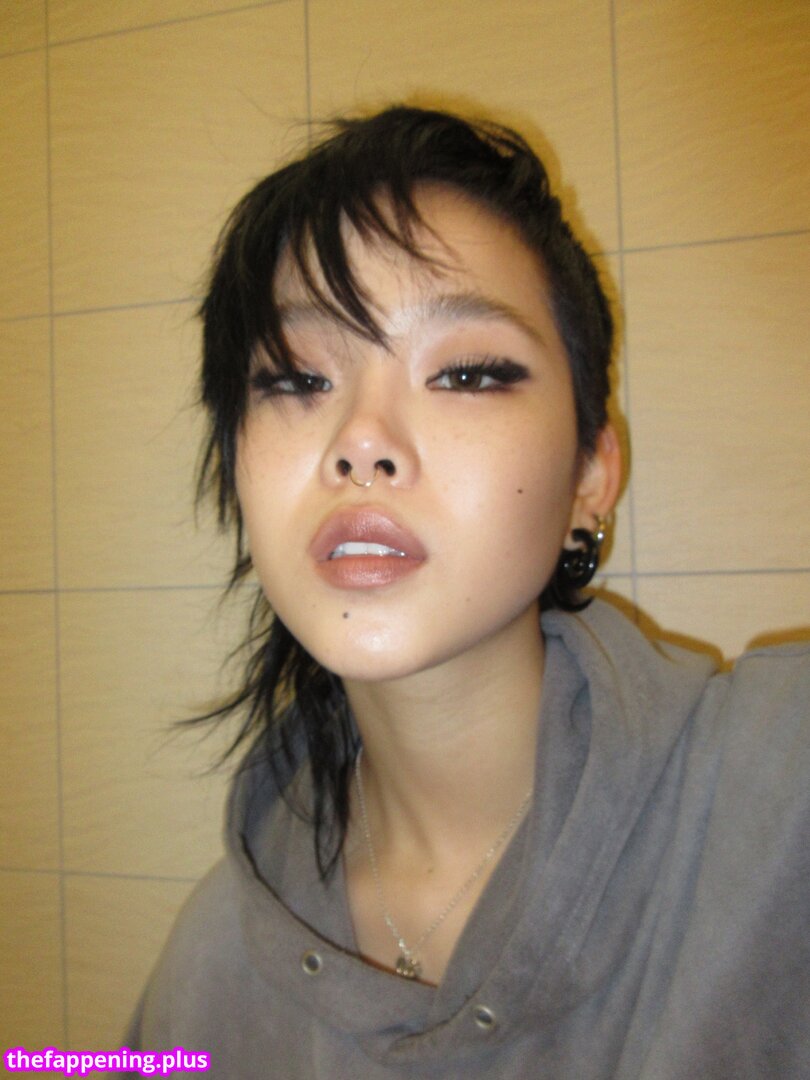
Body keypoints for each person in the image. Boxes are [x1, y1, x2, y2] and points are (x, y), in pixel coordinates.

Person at [125, 106, 809, 1077]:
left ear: (590, 474)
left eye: (467, 374)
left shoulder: (781, 808)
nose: (361, 441)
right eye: (297, 379)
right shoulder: (208, 973)